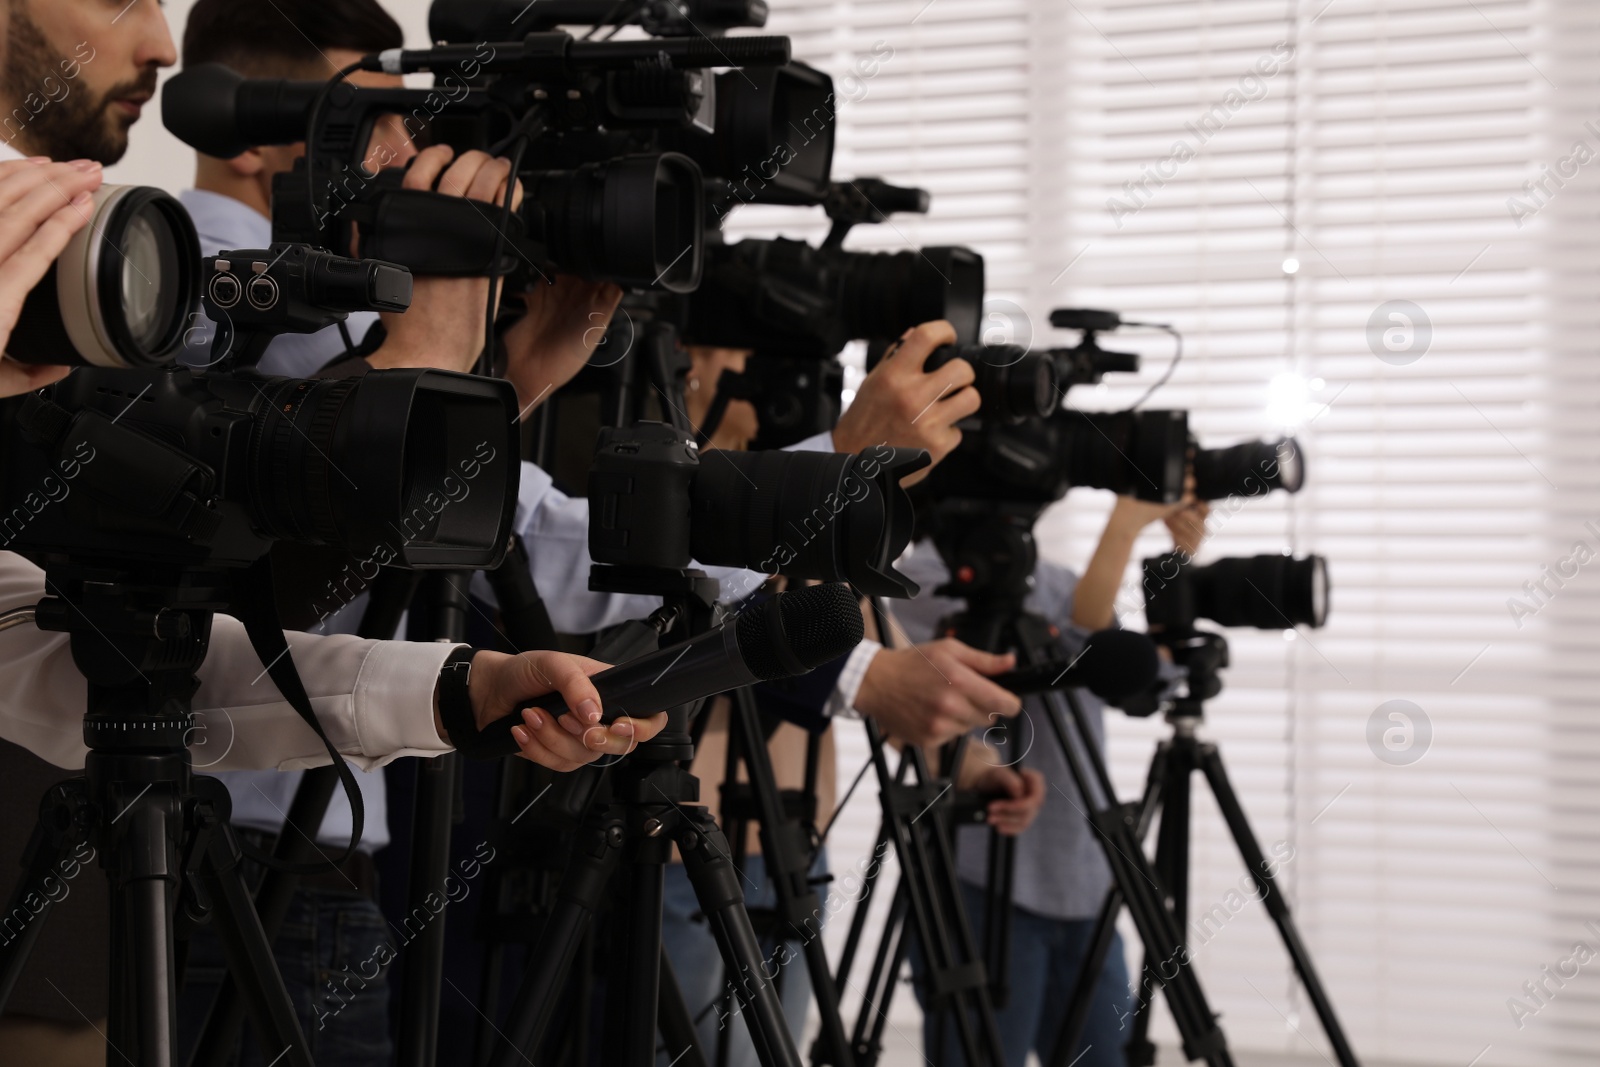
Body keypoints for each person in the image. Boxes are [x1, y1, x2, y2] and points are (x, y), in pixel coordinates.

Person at [898, 490, 1209, 1067]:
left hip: (1083, 878)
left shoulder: (1060, 579)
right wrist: (1121, 528)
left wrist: (1169, 570)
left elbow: (1123, 672)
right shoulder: (915, 587)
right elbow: (1061, 654)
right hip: (982, 880)